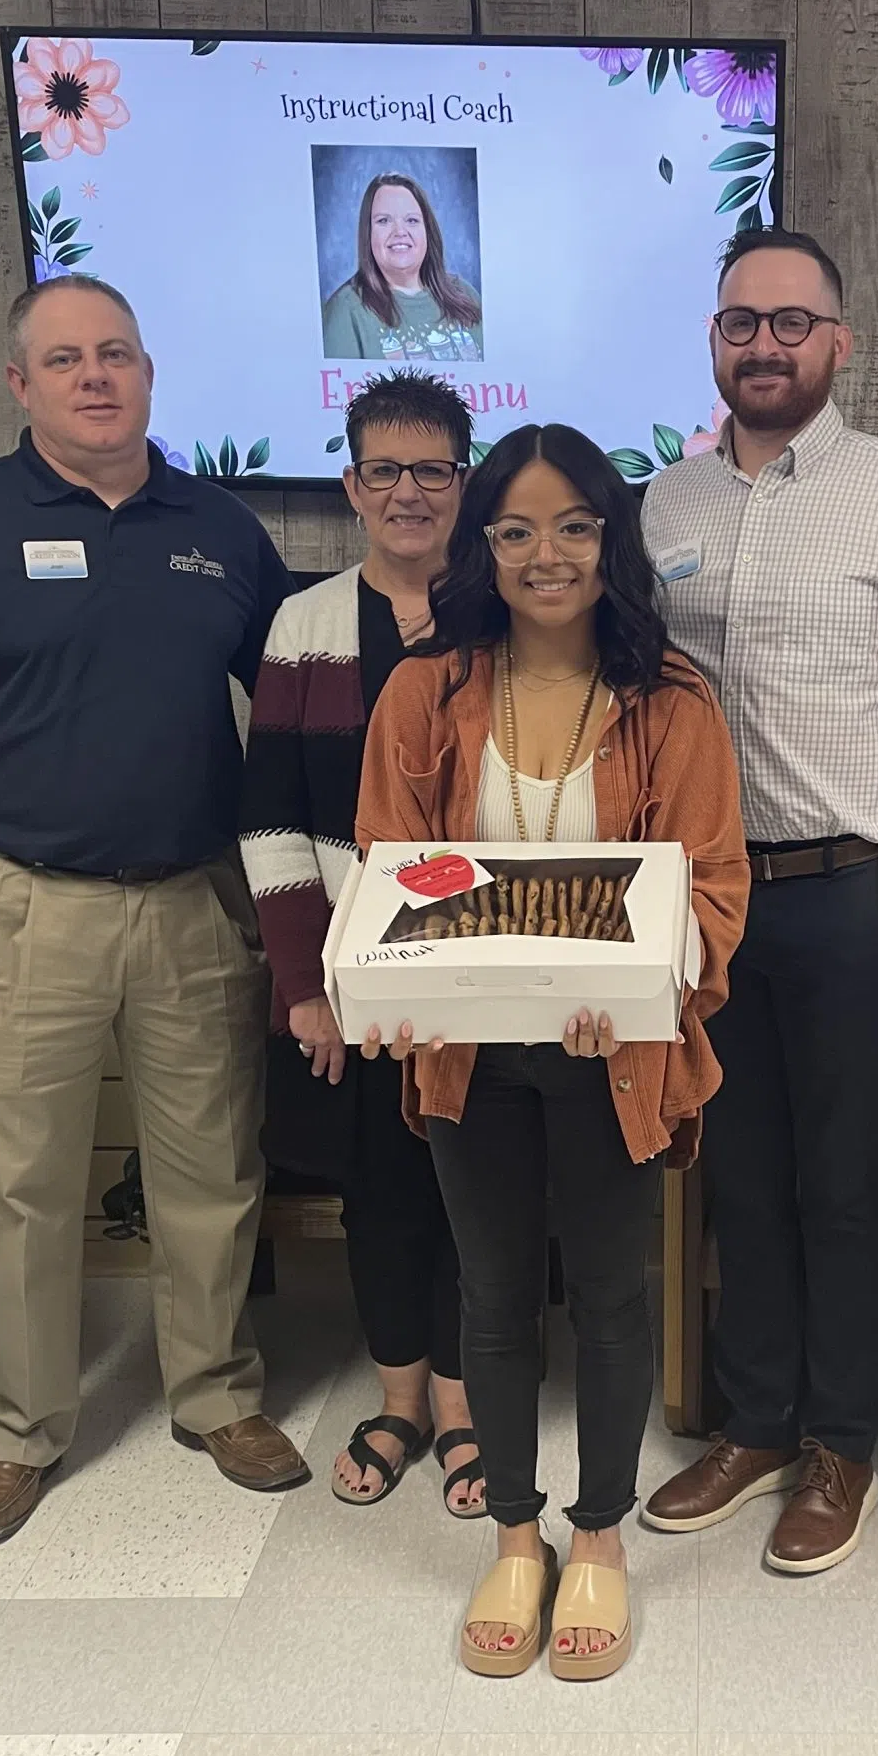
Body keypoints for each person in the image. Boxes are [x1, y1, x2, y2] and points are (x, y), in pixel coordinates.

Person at [0, 273, 302, 1550]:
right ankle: (18, 1433)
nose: (94, 377)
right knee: (20, 1188)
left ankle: (215, 1394)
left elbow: (292, 706)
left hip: (192, 899)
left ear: (150, 373)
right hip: (11, 906)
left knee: (211, 1170)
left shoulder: (220, 530)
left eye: (116, 355)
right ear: (20, 385)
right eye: (64, 360)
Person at [357, 423, 749, 1680]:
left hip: (610, 1058)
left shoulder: (670, 699)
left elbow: (714, 889)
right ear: (482, 542)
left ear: (609, 540)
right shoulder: (424, 693)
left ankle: (599, 1536)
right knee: (491, 1292)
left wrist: (635, 991)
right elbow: (387, 869)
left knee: (617, 1291)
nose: (545, 555)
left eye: (574, 526)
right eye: (515, 529)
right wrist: (401, 988)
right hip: (469, 1055)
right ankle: (515, 1535)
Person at [638, 227, 878, 1576]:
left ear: (838, 343)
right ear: (714, 342)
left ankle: (844, 1442)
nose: (766, 344)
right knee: (740, 1174)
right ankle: (758, 1421)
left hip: (849, 898)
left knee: (840, 1183)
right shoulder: (661, 506)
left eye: (793, 323)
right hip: (707, 905)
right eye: (742, 322)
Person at [237, 370, 485, 1513]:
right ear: (349, 484)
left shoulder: (505, 615)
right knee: (382, 1191)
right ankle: (396, 1400)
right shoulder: (302, 627)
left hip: (488, 972)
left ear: (463, 482)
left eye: (431, 469)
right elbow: (273, 820)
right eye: (382, 469)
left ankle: (465, 1408)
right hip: (356, 980)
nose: (407, 492)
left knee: (482, 1191)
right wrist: (304, 985)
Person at [321, 174, 486, 364]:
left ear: (428, 230)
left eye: (412, 220)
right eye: (384, 221)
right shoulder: (345, 310)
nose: (400, 231)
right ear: (368, 233)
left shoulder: (466, 294)